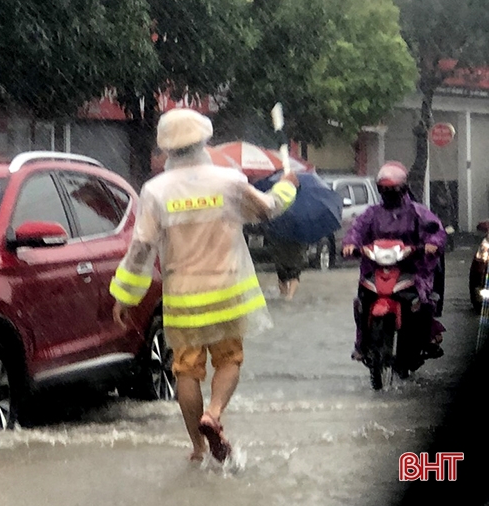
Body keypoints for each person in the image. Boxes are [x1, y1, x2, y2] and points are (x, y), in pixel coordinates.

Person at [109, 108, 299, 463]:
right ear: (204, 141)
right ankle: (214, 412)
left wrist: (125, 294)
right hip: (229, 292)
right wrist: (288, 184)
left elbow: (141, 249)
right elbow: (269, 209)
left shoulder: (155, 191)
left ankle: (197, 447)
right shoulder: (229, 181)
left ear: (165, 149)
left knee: (185, 370)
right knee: (229, 360)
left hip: (183, 298)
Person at [341, 161, 447, 371]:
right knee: (362, 300)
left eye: (393, 189)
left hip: (412, 269)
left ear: (403, 189)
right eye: (385, 189)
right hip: (376, 269)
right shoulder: (371, 213)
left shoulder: (417, 212)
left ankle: (424, 339)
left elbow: (435, 230)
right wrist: (350, 245)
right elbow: (356, 229)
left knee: (423, 302)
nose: (389, 193)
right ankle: (362, 344)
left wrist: (431, 244)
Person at [268, 236, 306, 301]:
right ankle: (287, 296)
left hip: (290, 246)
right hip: (287, 246)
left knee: (290, 273)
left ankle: (288, 296)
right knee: (285, 274)